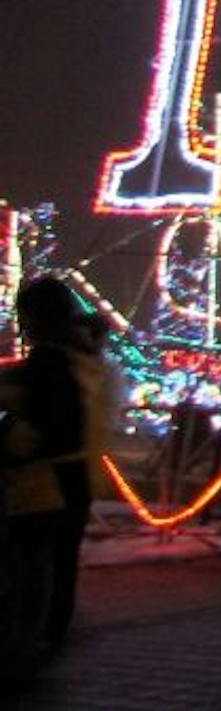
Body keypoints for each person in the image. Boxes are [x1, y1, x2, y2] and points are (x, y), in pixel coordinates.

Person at [0, 276, 87, 689]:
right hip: (71, 481)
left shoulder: (46, 366)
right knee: (50, 566)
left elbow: (38, 431)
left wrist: (10, 440)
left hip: (40, 484)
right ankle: (41, 640)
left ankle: (24, 646)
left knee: (28, 565)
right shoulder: (81, 360)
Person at [45, 307, 115, 650]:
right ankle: (56, 621)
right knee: (64, 554)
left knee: (45, 554)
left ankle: (46, 625)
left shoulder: (66, 370)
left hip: (56, 474)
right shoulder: (102, 373)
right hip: (83, 472)